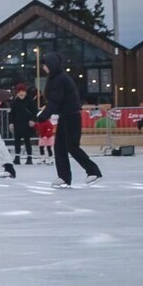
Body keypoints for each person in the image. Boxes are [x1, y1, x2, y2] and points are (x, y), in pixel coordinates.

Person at [36, 51, 102, 188]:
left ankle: (93, 171)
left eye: (45, 65)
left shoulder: (60, 79)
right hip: (65, 116)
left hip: (71, 116)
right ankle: (64, 177)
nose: (43, 67)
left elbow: (55, 101)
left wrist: (43, 116)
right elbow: (54, 101)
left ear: (52, 64)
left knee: (72, 146)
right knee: (60, 147)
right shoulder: (56, 77)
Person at [9, 83, 36, 165]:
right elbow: (12, 113)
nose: (21, 93)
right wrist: (11, 123)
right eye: (19, 91)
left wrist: (32, 120)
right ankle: (17, 158)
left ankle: (29, 158)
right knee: (17, 141)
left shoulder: (30, 101)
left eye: (23, 91)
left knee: (27, 141)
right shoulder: (14, 102)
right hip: (17, 123)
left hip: (27, 123)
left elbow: (35, 111)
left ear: (25, 92)